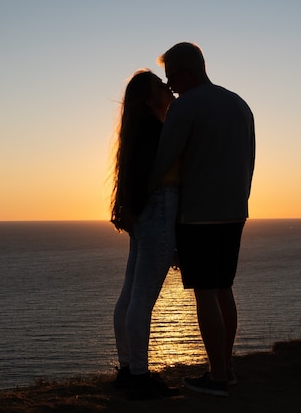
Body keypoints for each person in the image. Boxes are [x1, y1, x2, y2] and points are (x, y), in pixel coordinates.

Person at [149, 42, 256, 397]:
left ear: (187, 70)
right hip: (234, 210)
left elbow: (164, 159)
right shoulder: (239, 104)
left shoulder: (186, 107)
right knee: (224, 288)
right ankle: (224, 368)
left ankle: (219, 378)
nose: (170, 87)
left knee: (206, 294)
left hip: (198, 214)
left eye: (172, 78)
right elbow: (250, 162)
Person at [110, 69, 180, 400]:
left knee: (130, 295)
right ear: (151, 98)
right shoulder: (157, 131)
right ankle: (138, 374)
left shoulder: (140, 131)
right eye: (159, 85)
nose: (168, 87)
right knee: (142, 297)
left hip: (144, 215)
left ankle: (127, 369)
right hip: (158, 211)